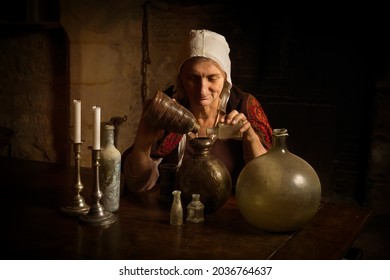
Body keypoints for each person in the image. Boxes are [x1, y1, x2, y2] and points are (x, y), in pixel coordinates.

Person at [122, 29, 272, 192]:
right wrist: (142, 145)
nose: (202, 90)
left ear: (225, 77)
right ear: (180, 78)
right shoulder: (167, 109)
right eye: (192, 78)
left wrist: (251, 138)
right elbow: (138, 184)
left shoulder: (244, 107)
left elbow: (268, 180)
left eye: (212, 78)